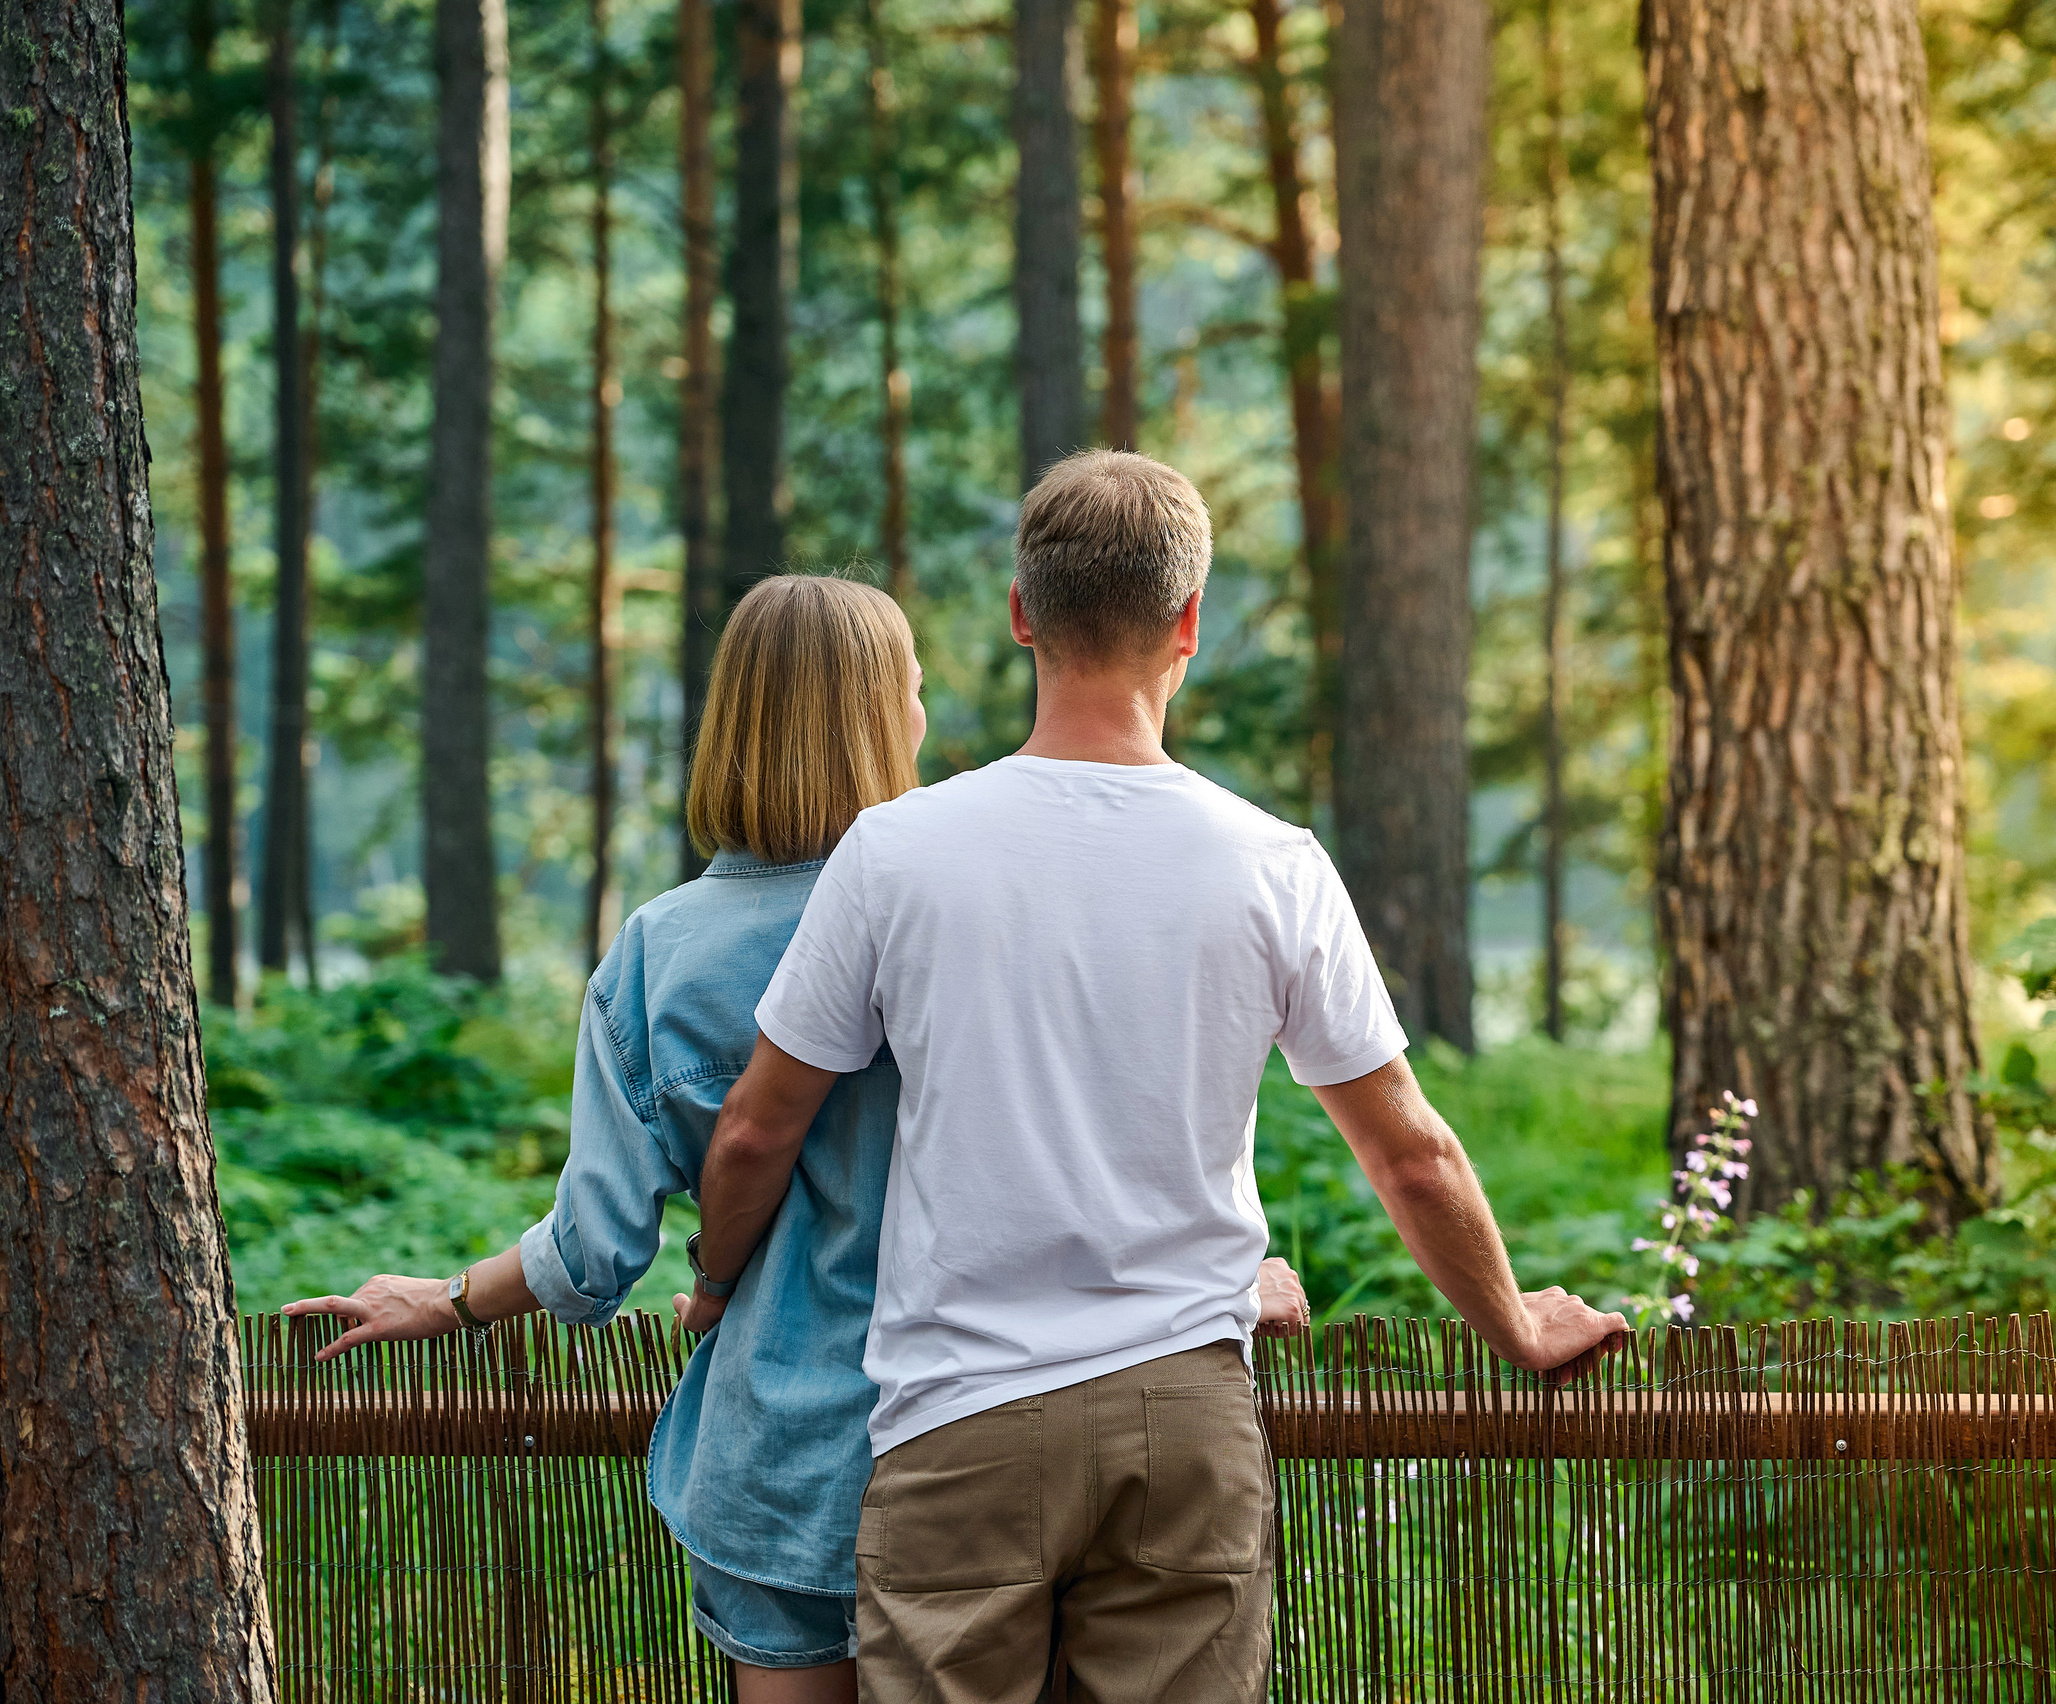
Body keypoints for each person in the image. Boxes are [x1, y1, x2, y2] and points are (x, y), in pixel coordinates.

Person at [689, 451, 1627, 1704]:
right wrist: (1512, 1322)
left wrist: (711, 1279)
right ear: (1189, 623)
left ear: (1022, 613)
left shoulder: (896, 852)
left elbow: (757, 1130)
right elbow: (1411, 1151)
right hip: (1182, 1415)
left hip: (955, 1419)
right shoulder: (1270, 862)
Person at [281, 574, 1315, 1703]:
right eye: (913, 693)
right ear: (885, 718)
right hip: (1002, 1426)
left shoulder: (658, 956)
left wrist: (456, 1296)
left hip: (784, 1460)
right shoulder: (972, 904)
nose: (924, 717)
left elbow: (594, 1252)